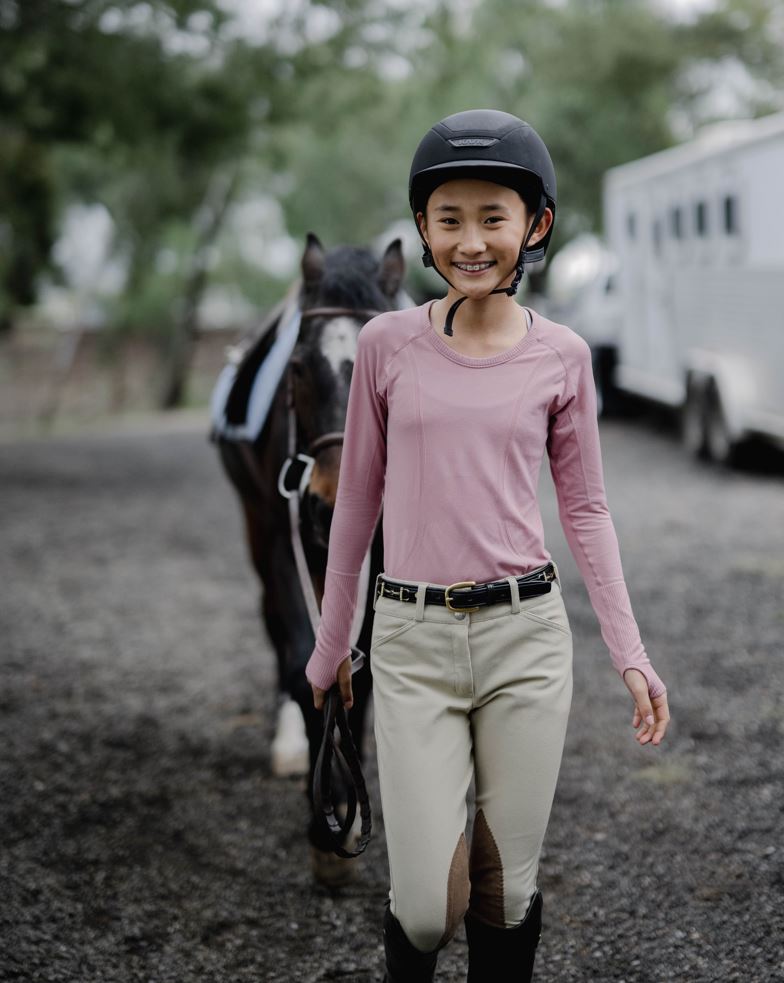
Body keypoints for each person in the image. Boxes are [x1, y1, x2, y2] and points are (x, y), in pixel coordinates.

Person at [305, 109, 670, 982]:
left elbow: (585, 509)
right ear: (424, 230)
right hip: (411, 642)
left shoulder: (564, 357)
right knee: (427, 907)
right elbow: (356, 502)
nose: (472, 240)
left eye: (493, 217)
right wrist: (330, 643)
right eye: (450, 218)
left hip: (527, 640)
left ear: (534, 225)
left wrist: (631, 651)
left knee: (505, 892)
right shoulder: (383, 344)